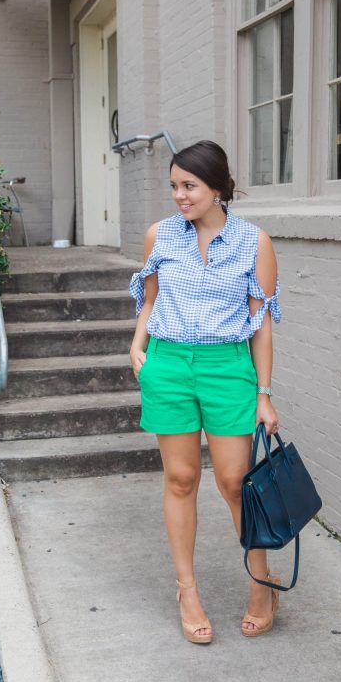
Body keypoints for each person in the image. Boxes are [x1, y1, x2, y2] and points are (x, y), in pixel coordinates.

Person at [129, 140, 282, 644]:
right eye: (174, 186)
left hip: (226, 368)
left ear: (218, 188)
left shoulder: (253, 242)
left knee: (237, 482)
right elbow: (149, 300)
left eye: (189, 186)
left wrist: (263, 393)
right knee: (180, 477)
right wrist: (138, 347)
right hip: (169, 365)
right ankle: (186, 589)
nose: (179, 196)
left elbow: (260, 324)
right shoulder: (160, 236)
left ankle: (262, 584)